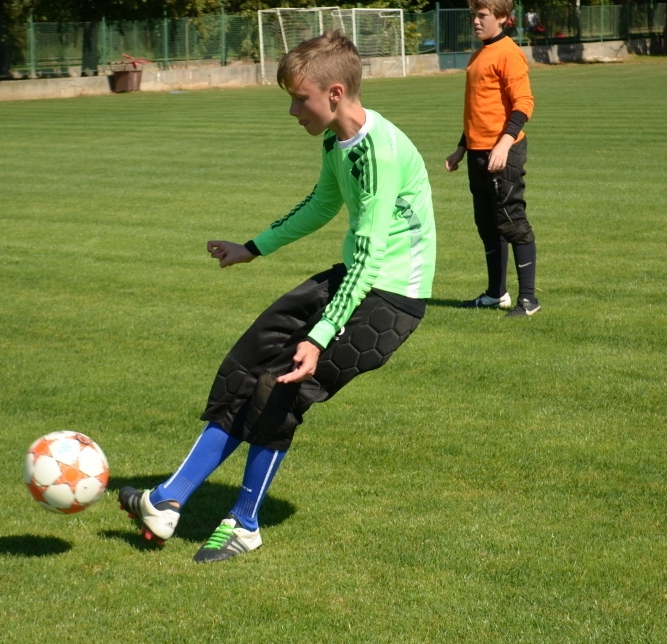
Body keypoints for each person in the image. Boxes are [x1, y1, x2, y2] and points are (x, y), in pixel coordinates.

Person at [119, 29, 437, 563]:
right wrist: (252, 248)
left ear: (334, 93)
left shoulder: (379, 153)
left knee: (279, 392)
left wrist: (319, 336)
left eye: (299, 97)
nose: (292, 110)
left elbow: (369, 258)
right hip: (358, 281)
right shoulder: (339, 143)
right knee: (246, 365)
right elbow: (320, 205)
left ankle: (244, 523)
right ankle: (167, 501)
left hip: (390, 299)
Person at [445, 0, 540, 318]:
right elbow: (479, 109)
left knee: (512, 222)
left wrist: (503, 144)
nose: (475, 20)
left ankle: (529, 300)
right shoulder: (479, 54)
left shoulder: (509, 54)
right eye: (474, 14)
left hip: (504, 152)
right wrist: (461, 148)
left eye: (482, 14)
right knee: (488, 224)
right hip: (478, 151)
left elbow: (523, 104)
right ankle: (495, 293)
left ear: (502, 17)